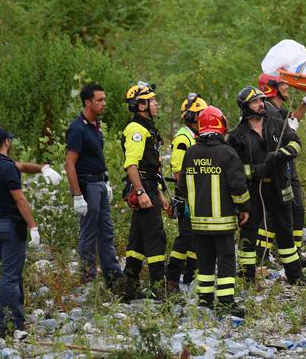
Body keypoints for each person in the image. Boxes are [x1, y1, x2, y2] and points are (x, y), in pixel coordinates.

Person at [227, 86, 306, 286]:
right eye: (255, 102)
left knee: (285, 230)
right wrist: (256, 171)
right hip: (254, 192)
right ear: (245, 107)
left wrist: (281, 154)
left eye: (262, 100)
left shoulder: (277, 124)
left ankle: (295, 275)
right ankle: (246, 277)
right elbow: (236, 169)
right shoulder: (237, 136)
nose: (261, 104)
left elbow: (296, 144)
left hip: (279, 187)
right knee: (249, 233)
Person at [0, 127, 62, 338]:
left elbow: (20, 165)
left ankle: (17, 321)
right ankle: (9, 327)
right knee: (10, 277)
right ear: (7, 142)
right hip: (10, 227)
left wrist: (43, 168)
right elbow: (19, 199)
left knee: (12, 272)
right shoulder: (8, 169)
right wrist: (33, 226)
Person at [177, 106, 250, 316]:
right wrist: (244, 208)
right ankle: (226, 302)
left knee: (205, 261)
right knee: (226, 260)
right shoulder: (227, 153)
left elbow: (181, 188)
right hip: (222, 222)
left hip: (198, 223)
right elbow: (238, 187)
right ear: (222, 125)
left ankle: (205, 300)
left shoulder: (190, 152)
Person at [65, 83, 123, 287]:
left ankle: (113, 275)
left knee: (106, 232)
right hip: (87, 185)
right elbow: (70, 163)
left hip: (99, 182)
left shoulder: (95, 126)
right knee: (89, 233)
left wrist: (106, 181)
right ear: (87, 102)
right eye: (99, 100)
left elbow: (97, 157)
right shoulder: (77, 128)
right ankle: (87, 277)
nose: (103, 103)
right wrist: (77, 195)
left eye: (104, 99)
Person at [258, 74, 306, 267]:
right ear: (272, 88)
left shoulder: (278, 110)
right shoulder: (266, 111)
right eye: (284, 84)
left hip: (288, 167)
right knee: (270, 213)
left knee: (297, 209)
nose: (287, 88)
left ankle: (296, 253)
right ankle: (263, 256)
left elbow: (292, 119)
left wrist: (305, 103)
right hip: (275, 169)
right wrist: (286, 131)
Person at [120, 81, 170, 300]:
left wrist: (159, 194)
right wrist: (141, 193)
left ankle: (127, 288)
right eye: (151, 100)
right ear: (141, 106)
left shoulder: (147, 128)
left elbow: (151, 169)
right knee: (156, 237)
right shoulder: (136, 130)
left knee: (138, 240)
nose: (156, 103)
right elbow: (132, 165)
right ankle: (159, 289)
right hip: (142, 187)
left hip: (149, 186)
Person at [165, 93, 208, 294]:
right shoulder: (183, 138)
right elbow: (177, 171)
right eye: (202, 114)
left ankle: (191, 275)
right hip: (187, 195)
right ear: (192, 117)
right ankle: (172, 278)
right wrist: (188, 196)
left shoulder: (197, 136)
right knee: (186, 237)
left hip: (197, 194)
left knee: (196, 237)